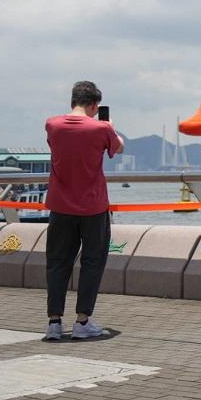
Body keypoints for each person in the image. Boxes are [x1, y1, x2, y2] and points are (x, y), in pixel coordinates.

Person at [43, 80, 124, 341]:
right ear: (94, 105)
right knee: (92, 262)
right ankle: (82, 321)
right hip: (93, 207)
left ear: (72, 101)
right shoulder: (101, 128)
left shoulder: (52, 125)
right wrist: (110, 127)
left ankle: (54, 323)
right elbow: (118, 148)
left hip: (60, 206)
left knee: (57, 262)